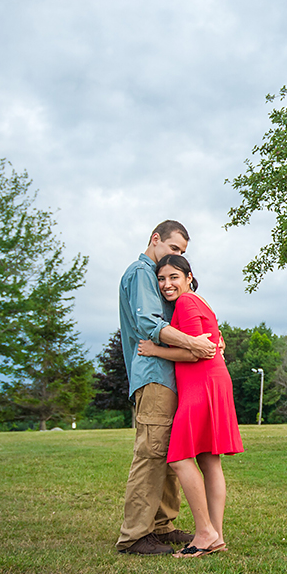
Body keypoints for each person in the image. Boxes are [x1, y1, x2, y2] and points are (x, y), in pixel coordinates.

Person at [116, 220, 219, 556]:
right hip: (154, 375)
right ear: (155, 239)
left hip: (173, 376)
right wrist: (195, 344)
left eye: (182, 254)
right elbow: (149, 324)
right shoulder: (142, 273)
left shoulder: (159, 277)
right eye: (173, 249)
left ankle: (162, 525)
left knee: (170, 451)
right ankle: (135, 535)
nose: (175, 259)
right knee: (152, 453)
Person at [138, 254, 243, 558]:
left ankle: (205, 533)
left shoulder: (186, 303)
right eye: (161, 279)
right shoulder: (199, 301)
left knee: (179, 457)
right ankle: (216, 536)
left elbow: (198, 352)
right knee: (209, 460)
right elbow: (210, 344)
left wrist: (155, 350)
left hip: (202, 383)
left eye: (173, 277)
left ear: (188, 276)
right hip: (211, 382)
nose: (167, 284)